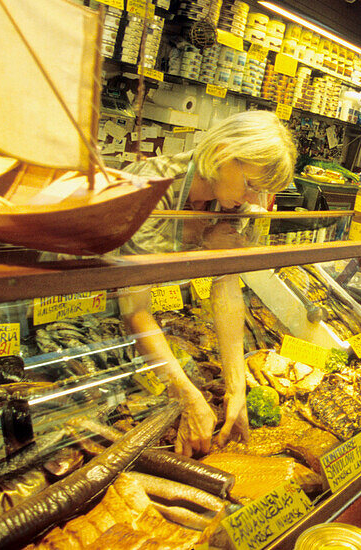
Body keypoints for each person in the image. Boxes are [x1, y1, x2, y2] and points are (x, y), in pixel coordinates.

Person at [119, 110, 297, 456]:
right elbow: (134, 309)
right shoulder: (153, 186)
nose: (254, 201)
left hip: (152, 326)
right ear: (221, 154)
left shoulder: (229, 202)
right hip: (88, 312)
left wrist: (237, 389)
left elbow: (227, 287)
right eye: (251, 186)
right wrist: (185, 393)